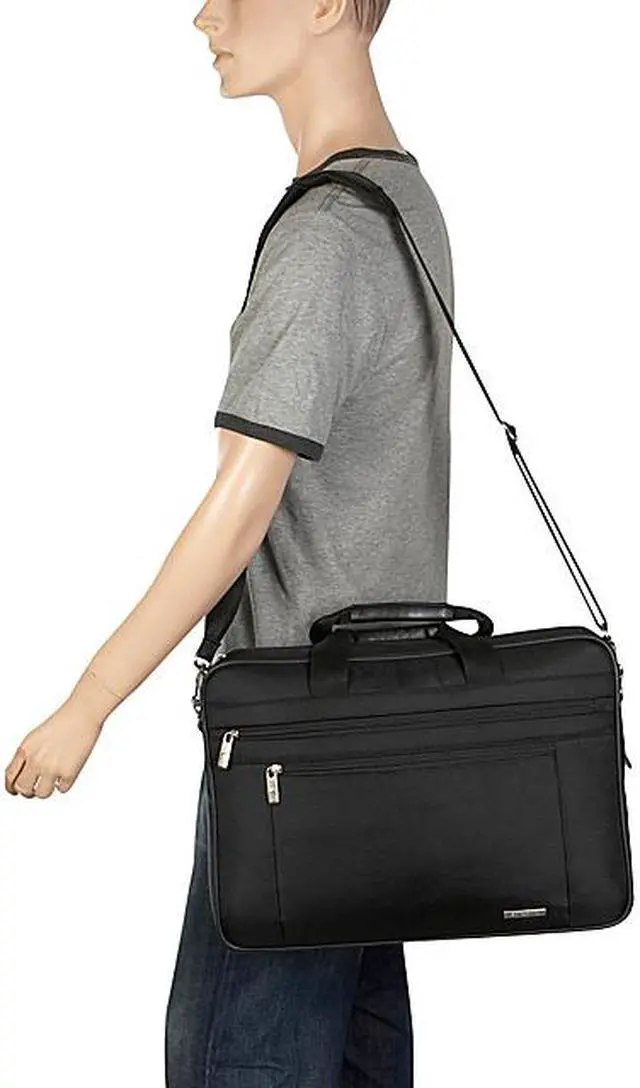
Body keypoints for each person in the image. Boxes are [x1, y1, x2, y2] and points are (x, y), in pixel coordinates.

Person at [4, 1, 453, 1084]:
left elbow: (240, 504)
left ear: (327, 5)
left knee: (235, 1064)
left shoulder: (329, 236)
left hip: (295, 753)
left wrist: (90, 697)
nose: (206, 14)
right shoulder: (406, 204)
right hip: (385, 741)